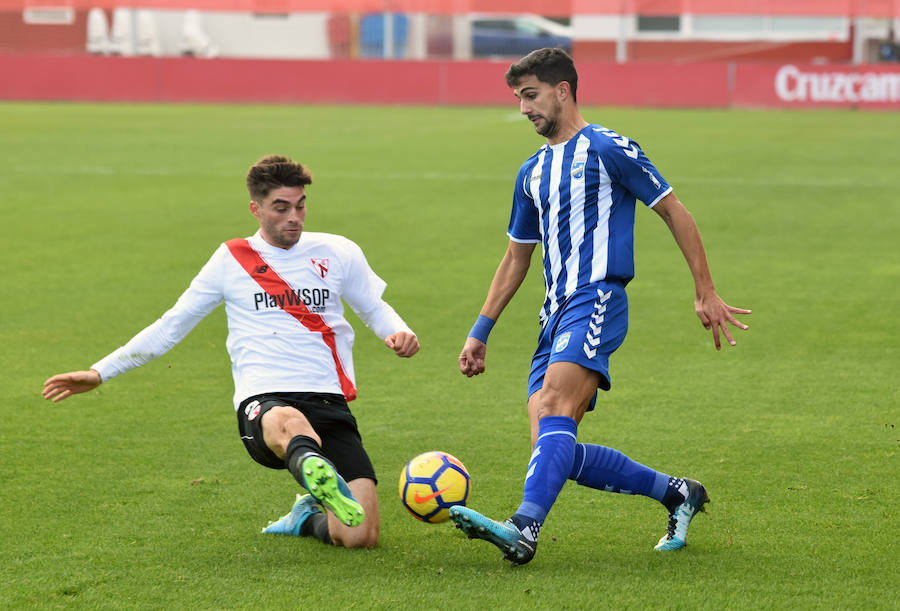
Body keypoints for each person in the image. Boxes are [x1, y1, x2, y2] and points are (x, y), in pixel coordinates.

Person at [450, 48, 750, 564]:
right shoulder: (532, 172)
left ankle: (523, 529)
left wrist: (705, 288)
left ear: (562, 90)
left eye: (530, 95)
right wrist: (481, 330)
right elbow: (515, 258)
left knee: (552, 411)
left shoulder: (609, 148)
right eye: (518, 98)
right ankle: (677, 493)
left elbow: (673, 210)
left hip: (598, 298)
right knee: (552, 450)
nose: (523, 108)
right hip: (553, 315)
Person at [42, 154, 419, 549]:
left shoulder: (336, 250)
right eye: (281, 207)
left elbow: (374, 307)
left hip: (328, 398)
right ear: (255, 209)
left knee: (360, 536)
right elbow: (171, 326)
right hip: (267, 402)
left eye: (301, 205)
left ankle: (306, 516)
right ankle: (311, 465)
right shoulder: (230, 260)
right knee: (289, 421)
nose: (295, 216)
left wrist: (398, 332)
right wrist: (100, 371)